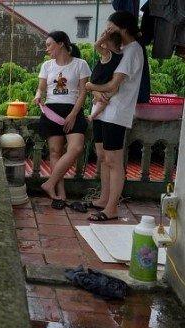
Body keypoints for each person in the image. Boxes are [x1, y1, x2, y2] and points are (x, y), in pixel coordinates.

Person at [85, 11, 144, 221]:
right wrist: (95, 90)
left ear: (123, 29)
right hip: (104, 110)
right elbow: (104, 77)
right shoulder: (119, 50)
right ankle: (103, 199)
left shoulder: (133, 51)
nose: (108, 31)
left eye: (111, 27)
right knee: (102, 156)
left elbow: (113, 84)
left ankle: (111, 209)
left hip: (117, 112)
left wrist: (91, 86)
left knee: (113, 160)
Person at [33, 31, 91, 210]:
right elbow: (41, 87)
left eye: (49, 45)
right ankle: (60, 194)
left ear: (61, 44)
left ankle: (49, 183)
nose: (47, 49)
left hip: (73, 110)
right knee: (55, 152)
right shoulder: (47, 66)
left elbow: (83, 92)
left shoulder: (80, 64)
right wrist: (37, 96)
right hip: (52, 110)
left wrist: (73, 114)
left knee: (76, 148)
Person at [87, 30, 123, 122]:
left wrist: (104, 37)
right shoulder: (121, 54)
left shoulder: (108, 53)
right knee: (103, 99)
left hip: (102, 82)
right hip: (106, 82)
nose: (102, 42)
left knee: (103, 100)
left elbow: (96, 45)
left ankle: (93, 115)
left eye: (104, 40)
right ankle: (94, 108)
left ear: (107, 42)